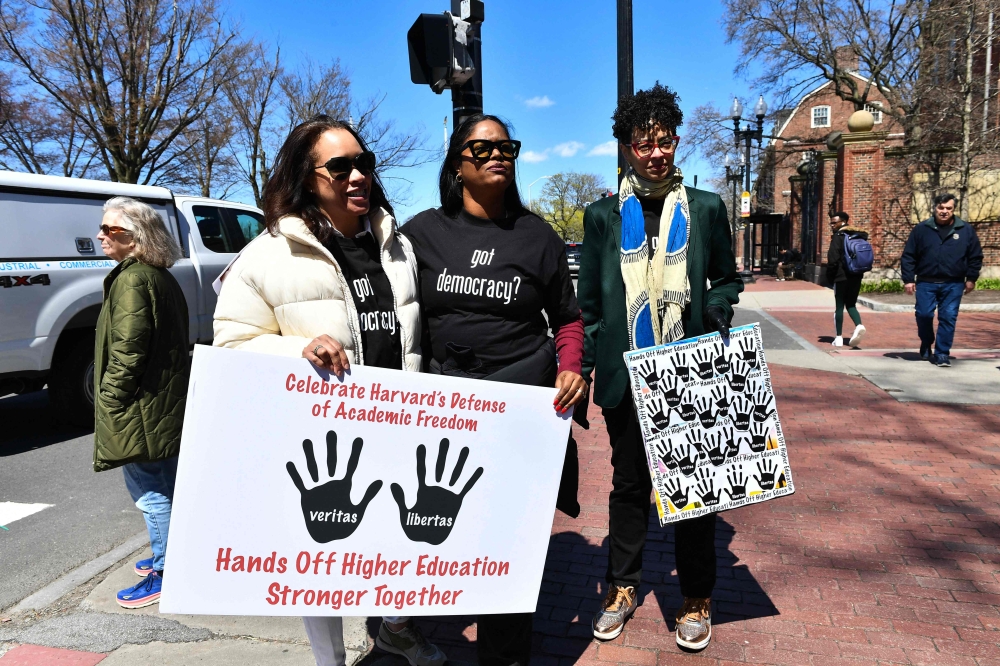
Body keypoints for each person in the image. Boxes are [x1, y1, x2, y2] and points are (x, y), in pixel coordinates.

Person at [212, 116, 445, 666]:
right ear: (306, 176)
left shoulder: (396, 245)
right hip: (321, 439)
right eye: (339, 167)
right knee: (320, 556)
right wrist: (297, 351)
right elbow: (231, 345)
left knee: (393, 540)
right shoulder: (269, 254)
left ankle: (396, 627)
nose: (357, 176)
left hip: (395, 421)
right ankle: (329, 660)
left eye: (363, 163)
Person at [403, 113, 586, 666]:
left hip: (520, 409)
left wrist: (570, 366)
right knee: (447, 531)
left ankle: (505, 656)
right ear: (457, 165)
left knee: (508, 545)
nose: (498, 156)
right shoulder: (419, 234)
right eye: (481, 150)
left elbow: (569, 318)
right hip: (445, 412)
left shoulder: (538, 237)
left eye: (506, 148)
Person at [577, 83, 743, 651]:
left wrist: (716, 309)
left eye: (664, 141)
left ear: (676, 142)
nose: (655, 153)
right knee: (629, 487)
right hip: (627, 373)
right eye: (643, 143)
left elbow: (724, 276)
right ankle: (622, 586)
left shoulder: (706, 208)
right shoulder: (601, 216)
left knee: (695, 491)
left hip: (690, 367)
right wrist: (591, 367)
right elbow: (593, 305)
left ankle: (696, 596)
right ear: (625, 147)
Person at [93, 197, 189, 609]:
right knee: (166, 481)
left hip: (142, 405)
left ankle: (169, 571)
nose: (100, 235)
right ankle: (172, 554)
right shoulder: (158, 275)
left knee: (151, 489)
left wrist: (109, 399)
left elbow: (128, 349)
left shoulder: (133, 280)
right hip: (161, 400)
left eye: (111, 230)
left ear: (136, 238)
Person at [901, 192, 984, 367]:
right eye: (941, 207)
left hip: (953, 283)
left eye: (949, 208)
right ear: (935, 208)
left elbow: (975, 256)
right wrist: (909, 279)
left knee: (948, 317)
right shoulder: (922, 229)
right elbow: (909, 256)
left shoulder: (965, 230)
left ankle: (942, 354)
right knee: (924, 315)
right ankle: (926, 341)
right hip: (926, 282)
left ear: (954, 209)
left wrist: (971, 278)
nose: (944, 211)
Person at [825, 212, 868, 348]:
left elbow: (833, 259)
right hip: (856, 274)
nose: (832, 225)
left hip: (841, 276)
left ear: (843, 222)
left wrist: (830, 277)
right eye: (831, 222)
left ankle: (838, 337)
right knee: (851, 304)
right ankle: (859, 325)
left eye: (834, 222)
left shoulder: (839, 236)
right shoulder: (859, 235)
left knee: (839, 306)